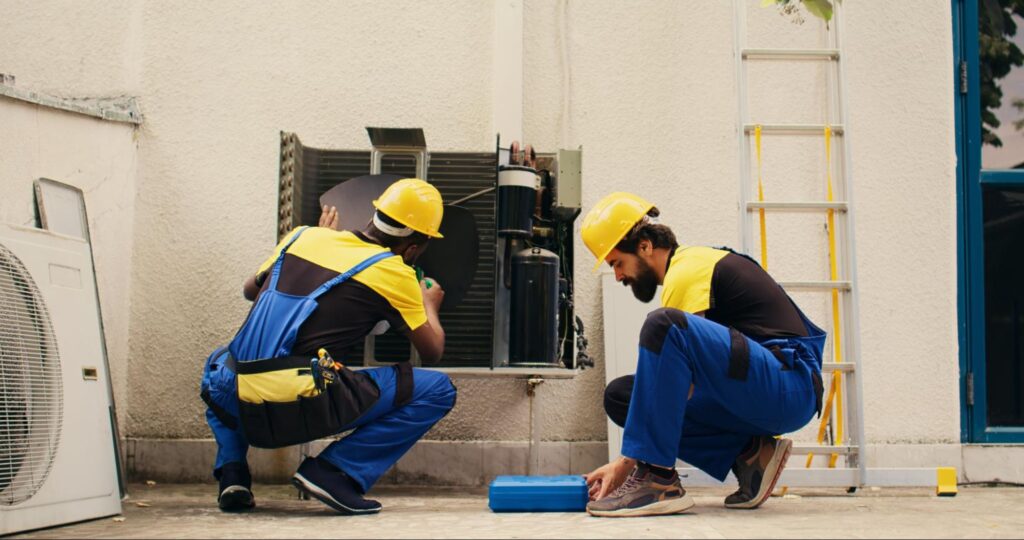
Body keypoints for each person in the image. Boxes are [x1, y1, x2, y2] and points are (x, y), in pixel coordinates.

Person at [200, 178, 456, 515]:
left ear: (375, 215)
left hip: (234, 400)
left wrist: (320, 241)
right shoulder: (394, 272)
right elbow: (433, 350)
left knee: (221, 359)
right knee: (438, 390)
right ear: (412, 249)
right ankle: (334, 473)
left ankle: (233, 474)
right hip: (292, 406)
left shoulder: (303, 236)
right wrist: (428, 304)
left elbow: (251, 290)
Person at [580, 192, 825, 517]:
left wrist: (626, 463)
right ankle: (752, 454)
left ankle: (657, 480)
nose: (618, 276)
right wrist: (627, 458)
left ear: (645, 246)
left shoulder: (685, 270)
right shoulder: (690, 268)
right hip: (763, 388)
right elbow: (671, 390)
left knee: (663, 326)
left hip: (789, 383)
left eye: (617, 263)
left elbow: (682, 386)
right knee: (622, 396)